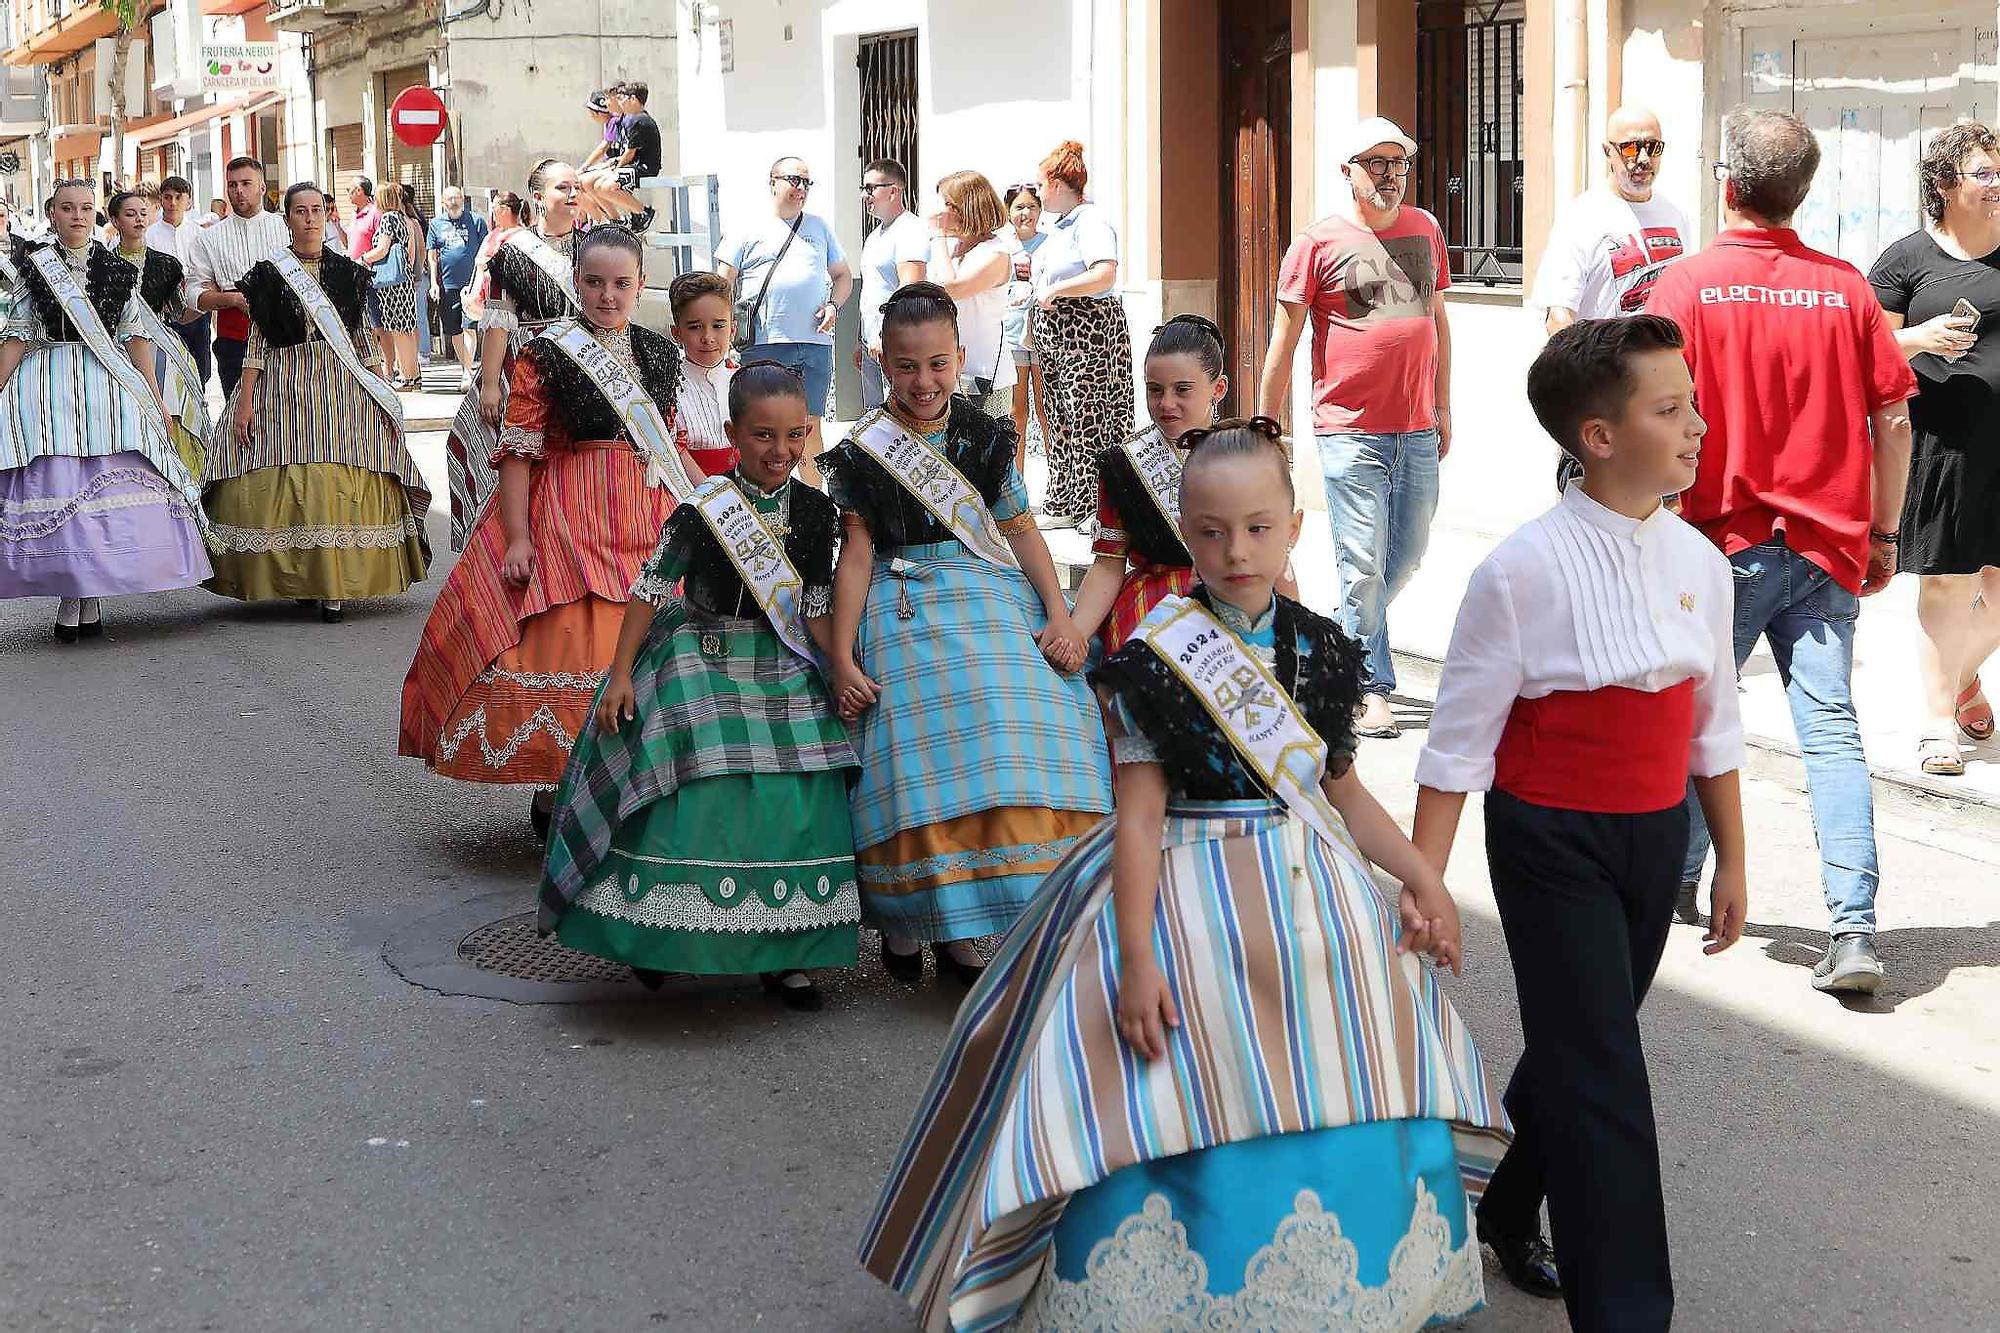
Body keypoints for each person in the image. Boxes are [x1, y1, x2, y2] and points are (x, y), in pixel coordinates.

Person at [861, 418, 1511, 1331]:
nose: (1234, 549)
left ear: (1292, 525)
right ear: (1185, 528)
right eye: (1209, 530)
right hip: (1180, 898)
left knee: (1349, 1074)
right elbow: (1136, 816)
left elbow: (1343, 792)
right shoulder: (1150, 662)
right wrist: (1134, 956)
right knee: (1158, 1095)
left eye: (1256, 527)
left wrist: (1420, 875)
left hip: (1308, 892)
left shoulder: (1324, 649)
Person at [1412, 316, 1747, 1331]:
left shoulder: (1701, 559)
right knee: (1602, 1070)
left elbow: (1712, 720)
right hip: (1548, 839)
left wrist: (1729, 853)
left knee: (1580, 1038)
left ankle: (1503, 1204)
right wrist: (1425, 886)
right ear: (1595, 436)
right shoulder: (1519, 571)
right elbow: (1456, 745)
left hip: (1655, 838)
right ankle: (1627, 1311)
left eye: (1688, 401)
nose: (1694, 424)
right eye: (1667, 407)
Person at [1646, 107, 1916, 995]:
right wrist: (1883, 533)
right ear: (1803, 193)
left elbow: (1647, 409)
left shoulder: (1683, 287)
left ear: (1727, 183)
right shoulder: (1846, 290)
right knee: (1831, 732)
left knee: (1685, 718)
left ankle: (1676, 880)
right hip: (1826, 543)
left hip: (1716, 542)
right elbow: (1895, 420)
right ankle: (1853, 929)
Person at [538, 363, 859, 1011]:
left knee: (796, 785)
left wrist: (840, 666)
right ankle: (659, 934)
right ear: (734, 433)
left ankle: (787, 951)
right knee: (689, 772)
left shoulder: (820, 512)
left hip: (784, 657)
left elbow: (818, 605)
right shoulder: (703, 507)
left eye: (795, 434)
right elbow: (651, 591)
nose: (780, 450)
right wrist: (623, 672)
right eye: (763, 435)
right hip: (702, 651)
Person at [819, 282, 1109, 983]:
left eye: (939, 364)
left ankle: (985, 912)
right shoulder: (861, 454)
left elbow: (1019, 529)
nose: (925, 381)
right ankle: (912, 914)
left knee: (1024, 716)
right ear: (882, 361)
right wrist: (839, 654)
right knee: (911, 746)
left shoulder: (985, 434)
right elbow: (855, 556)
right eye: (908, 366)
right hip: (902, 597)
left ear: (962, 355)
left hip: (984, 587)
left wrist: (1061, 614)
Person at [400, 226, 702, 834]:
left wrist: (709, 504)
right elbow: (518, 451)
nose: (607, 296)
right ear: (576, 284)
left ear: (641, 285)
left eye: (621, 283)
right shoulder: (546, 353)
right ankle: (558, 781)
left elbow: (668, 442)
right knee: (572, 638)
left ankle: (635, 784)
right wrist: (517, 536)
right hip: (568, 510)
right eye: (594, 282)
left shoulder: (659, 352)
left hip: (643, 509)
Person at [1257, 116, 1454, 742]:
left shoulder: (1425, 229)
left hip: (1418, 425)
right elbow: (1284, 342)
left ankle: (1332, 647)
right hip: (1349, 429)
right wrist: (1268, 422)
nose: (1390, 175)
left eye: (1398, 163)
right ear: (1348, 172)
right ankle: (1370, 686)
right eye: (1375, 163)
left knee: (1412, 553)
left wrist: (1445, 406)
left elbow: (1438, 323)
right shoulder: (1316, 244)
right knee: (1363, 561)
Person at [202, 182, 428, 623]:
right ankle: (297, 578)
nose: (309, 218)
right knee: (271, 463)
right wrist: (245, 400)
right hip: (282, 381)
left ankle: (333, 585)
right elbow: (258, 341)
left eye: (316, 211)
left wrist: (380, 391)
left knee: (345, 463)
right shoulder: (268, 274)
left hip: (340, 381)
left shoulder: (349, 273)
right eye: (299, 211)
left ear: (326, 216)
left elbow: (362, 340)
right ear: (286, 218)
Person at [0, 180, 210, 641]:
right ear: (52, 214)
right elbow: (16, 333)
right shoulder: (34, 268)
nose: (77, 215)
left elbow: (136, 333)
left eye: (85, 208)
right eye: (67, 208)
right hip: (48, 384)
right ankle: (72, 595)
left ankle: (88, 595)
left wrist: (154, 394)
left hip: (105, 381)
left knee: (99, 489)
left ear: (95, 215)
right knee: (58, 479)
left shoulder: (116, 269)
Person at [1868, 122, 2000, 777]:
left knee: (1998, 596)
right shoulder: (1906, 261)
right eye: (1984, 172)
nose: (1997, 183)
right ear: (1946, 183)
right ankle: (1937, 720)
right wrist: (1917, 338)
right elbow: (1859, 348)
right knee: (1948, 585)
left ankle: (1963, 675)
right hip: (1944, 445)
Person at [1071, 313, 1297, 651]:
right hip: (1153, 608)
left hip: (1241, 595)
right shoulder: (1124, 466)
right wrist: (1074, 634)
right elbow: (1107, 565)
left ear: (1217, 388)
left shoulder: (1250, 456)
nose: (1166, 403)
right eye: (1155, 390)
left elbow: (1278, 559)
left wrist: (1297, 634)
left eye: (1183, 390)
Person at [1532, 106, 1690, 490]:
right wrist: (1592, 398)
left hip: (1661, 405)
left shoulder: (1674, 215)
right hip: (1608, 403)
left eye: (1652, 147)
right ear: (1608, 151)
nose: (1641, 160)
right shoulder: (1583, 217)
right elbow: (1559, 319)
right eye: (1630, 148)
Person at [445, 161, 581, 552]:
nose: (573, 195)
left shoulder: (596, 246)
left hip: (581, 360)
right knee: (483, 445)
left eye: (576, 187)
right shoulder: (514, 251)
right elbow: (500, 318)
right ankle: (495, 544)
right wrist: (489, 383)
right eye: (562, 188)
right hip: (526, 360)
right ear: (538, 198)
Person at [715, 157, 852, 482]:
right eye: (794, 179)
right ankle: (764, 495)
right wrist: (722, 327)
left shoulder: (819, 227)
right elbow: (723, 282)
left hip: (815, 344)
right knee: (762, 424)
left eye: (806, 182)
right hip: (765, 344)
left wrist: (834, 305)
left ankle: (815, 502)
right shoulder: (747, 228)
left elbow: (843, 275)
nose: (801, 188)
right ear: (772, 182)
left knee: (810, 425)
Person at [1029, 140, 1132, 528]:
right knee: (1059, 417)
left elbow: (1104, 271)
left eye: (1041, 184)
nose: (1037, 193)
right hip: (1059, 334)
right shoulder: (1059, 228)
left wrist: (1058, 290)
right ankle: (1064, 498)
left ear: (1057, 184)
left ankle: (1095, 505)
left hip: (1087, 329)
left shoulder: (1091, 222)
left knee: (1090, 416)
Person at [108, 188, 208, 482]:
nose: (139, 220)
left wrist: (207, 301)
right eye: (130, 214)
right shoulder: (101, 263)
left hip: (162, 347)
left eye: (143, 213)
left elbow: (178, 313)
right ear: (114, 220)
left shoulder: (166, 264)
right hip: (116, 349)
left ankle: (182, 481)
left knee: (174, 409)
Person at [183, 157, 289, 399]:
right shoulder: (209, 238)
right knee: (239, 420)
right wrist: (230, 299)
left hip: (285, 336)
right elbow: (193, 293)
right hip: (235, 339)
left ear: (262, 187)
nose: (239, 191)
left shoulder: (286, 228)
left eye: (245, 183)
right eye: (232, 185)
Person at [926, 170, 1015, 418]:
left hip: (985, 373)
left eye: (947, 204)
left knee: (985, 451)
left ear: (965, 208)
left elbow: (949, 288)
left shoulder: (995, 253)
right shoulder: (953, 249)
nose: (940, 212)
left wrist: (938, 236)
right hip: (948, 370)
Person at [855, 158, 929, 410]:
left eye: (871, 188)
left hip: (894, 343)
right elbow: (871, 291)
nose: (866, 195)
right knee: (875, 421)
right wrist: (861, 340)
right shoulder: (875, 236)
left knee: (900, 416)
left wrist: (884, 335)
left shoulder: (910, 230)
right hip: (872, 344)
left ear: (894, 191)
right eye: (863, 188)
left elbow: (911, 290)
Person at [665, 270, 739, 477]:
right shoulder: (669, 384)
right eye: (695, 327)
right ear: (676, 333)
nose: (708, 337)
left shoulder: (744, 381)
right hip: (689, 490)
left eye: (718, 326)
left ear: (732, 329)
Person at [144, 175, 213, 390]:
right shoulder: (149, 236)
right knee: (168, 370)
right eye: (168, 197)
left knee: (200, 368)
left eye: (178, 197)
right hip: (163, 314)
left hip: (197, 310)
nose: (173, 202)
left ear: (188, 201)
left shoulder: (200, 235)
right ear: (161, 200)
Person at [1001, 183, 1048, 465]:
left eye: (1032, 206)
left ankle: (1058, 482)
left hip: (1044, 336)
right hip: (1013, 335)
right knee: (1016, 411)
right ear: (1009, 212)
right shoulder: (1002, 247)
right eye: (1019, 207)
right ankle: (1016, 480)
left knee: (1046, 410)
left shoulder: (1050, 242)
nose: (1026, 213)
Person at [427, 185, 488, 392]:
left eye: (457, 197)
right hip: (448, 284)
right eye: (449, 198)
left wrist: (484, 278)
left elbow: (486, 250)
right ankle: (467, 369)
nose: (454, 201)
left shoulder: (477, 221)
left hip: (471, 284)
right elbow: (433, 256)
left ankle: (467, 372)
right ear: (443, 202)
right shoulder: (436, 224)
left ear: (463, 199)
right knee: (454, 330)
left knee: (469, 327)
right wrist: (434, 283)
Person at [361, 181, 420, 389]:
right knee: (407, 329)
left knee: (397, 330)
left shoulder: (387, 219)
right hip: (404, 279)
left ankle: (406, 377)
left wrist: (363, 259)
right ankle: (413, 375)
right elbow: (411, 252)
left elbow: (382, 249)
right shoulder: (405, 219)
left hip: (391, 283)